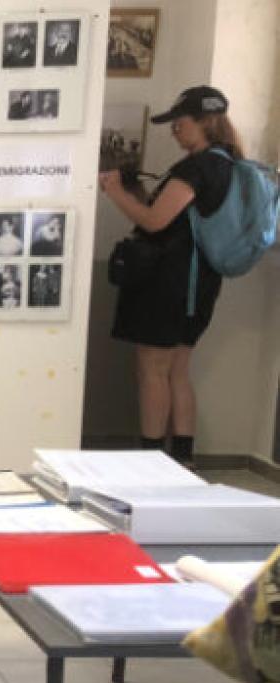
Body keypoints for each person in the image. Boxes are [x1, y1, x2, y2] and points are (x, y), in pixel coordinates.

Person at [99, 85, 238, 464]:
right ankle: (181, 459)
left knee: (152, 372)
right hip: (199, 284)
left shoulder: (197, 167)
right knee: (177, 370)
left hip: (171, 285)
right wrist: (136, 192)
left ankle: (151, 461)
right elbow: (175, 219)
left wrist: (114, 192)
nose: (175, 131)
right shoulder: (226, 164)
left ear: (206, 121)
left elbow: (155, 221)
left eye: (181, 124)